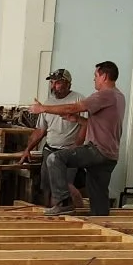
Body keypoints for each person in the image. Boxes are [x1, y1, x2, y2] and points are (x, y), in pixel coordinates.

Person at [27, 61, 126, 218]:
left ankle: (63, 204)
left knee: (54, 159)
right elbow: (96, 124)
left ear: (104, 76)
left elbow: (71, 107)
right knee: (98, 195)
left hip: (97, 150)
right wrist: (77, 120)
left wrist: (43, 108)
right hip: (110, 155)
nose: (94, 79)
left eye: (96, 76)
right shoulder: (119, 96)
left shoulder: (104, 95)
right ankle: (101, 224)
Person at [32, 69, 85, 209]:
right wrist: (27, 149)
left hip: (68, 152)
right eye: (52, 82)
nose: (54, 86)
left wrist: (77, 145)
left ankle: (64, 212)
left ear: (68, 84)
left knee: (65, 186)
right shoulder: (47, 103)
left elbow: (86, 124)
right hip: (50, 149)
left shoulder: (78, 100)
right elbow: (40, 130)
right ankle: (48, 212)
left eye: (58, 82)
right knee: (47, 185)